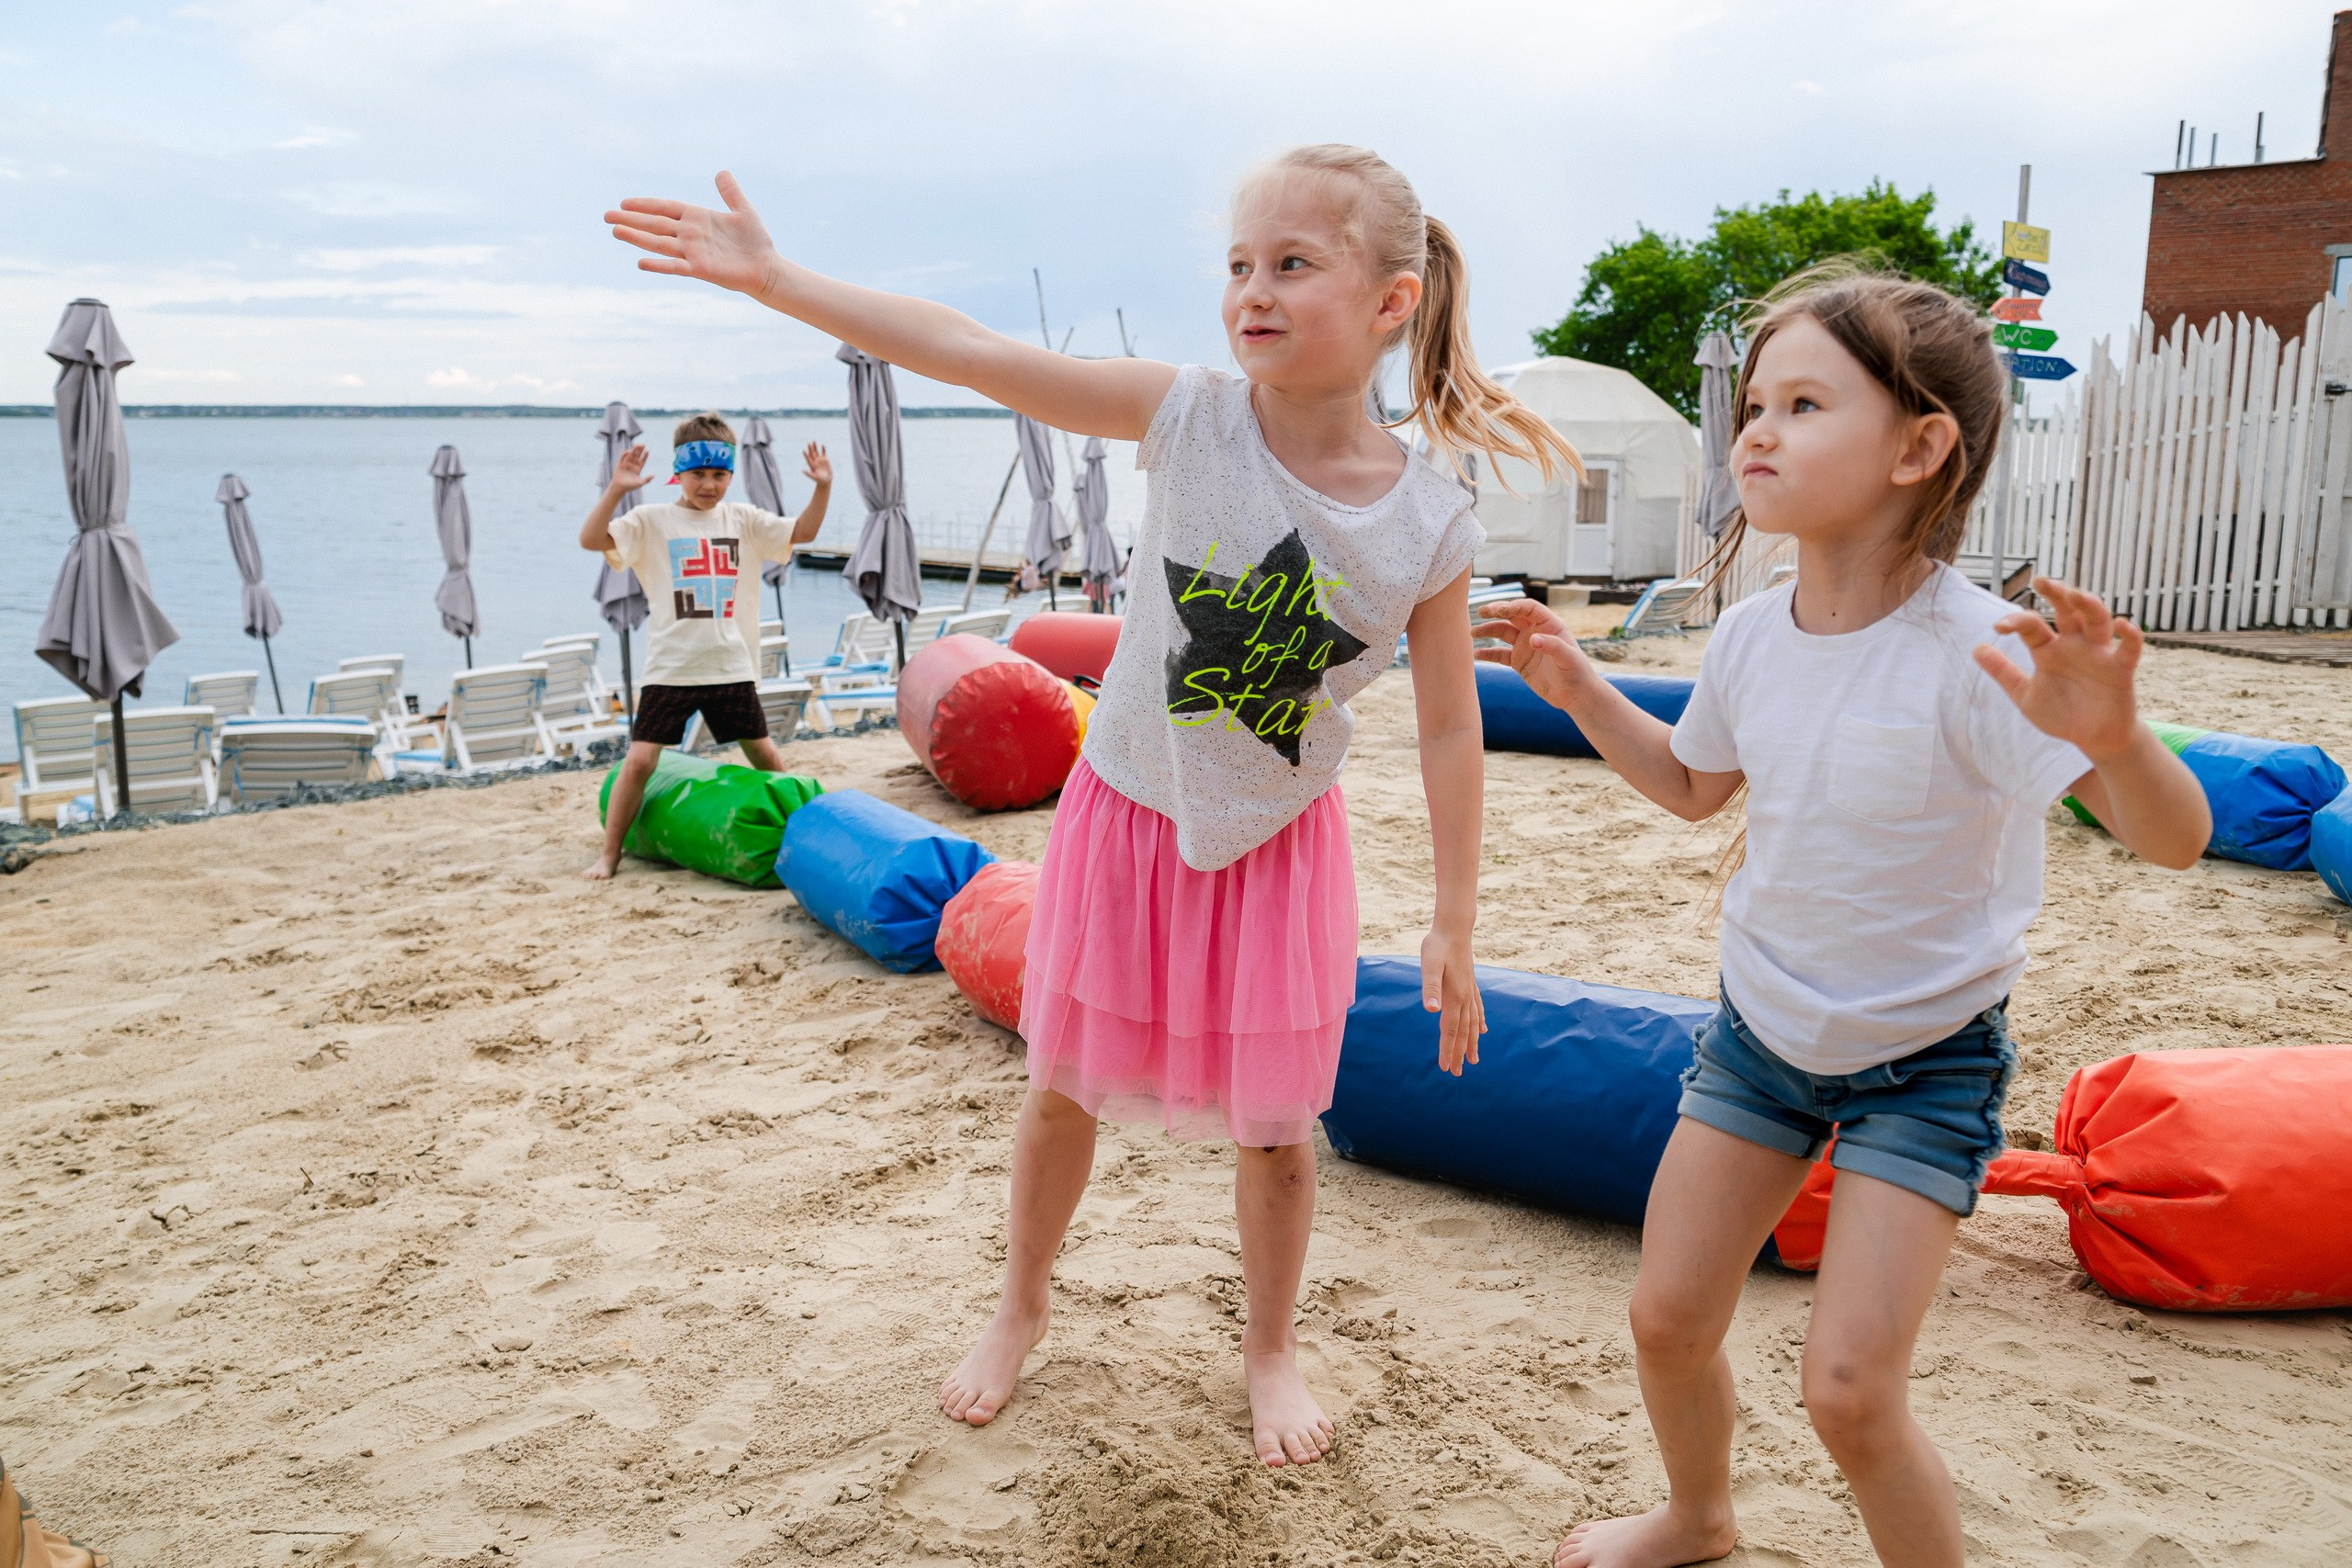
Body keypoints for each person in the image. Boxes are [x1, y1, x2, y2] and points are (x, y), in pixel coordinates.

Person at [604, 145, 1578, 1466]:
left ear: (1393, 301)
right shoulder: (1188, 415)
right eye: (1239, 264)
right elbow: (967, 350)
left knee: (1279, 1129)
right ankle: (1021, 1302)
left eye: (1294, 263)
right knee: (1060, 1088)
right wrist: (779, 282)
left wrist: (1458, 915)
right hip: (1125, 818)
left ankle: (1271, 1346)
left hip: (1280, 850)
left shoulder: (1431, 518)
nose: (1254, 289)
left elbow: (1453, 722)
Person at [1477, 267, 2211, 1568]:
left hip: (1923, 1061)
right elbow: (1697, 787)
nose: (1756, 429)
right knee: (1665, 1315)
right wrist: (1576, 678)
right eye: (1755, 402)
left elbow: (2176, 839)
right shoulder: (1755, 636)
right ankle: (1699, 1516)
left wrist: (2121, 737)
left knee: (1852, 1390)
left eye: (1805, 402)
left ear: (1920, 447)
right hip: (1761, 1033)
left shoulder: (1987, 652)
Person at [580, 412, 831, 881]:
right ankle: (610, 853)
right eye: (698, 474)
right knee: (639, 763)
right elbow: (591, 539)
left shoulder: (745, 520)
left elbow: (804, 532)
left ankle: (812, 836)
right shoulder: (652, 520)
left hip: (729, 664)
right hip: (671, 667)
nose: (709, 485)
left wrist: (822, 487)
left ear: (731, 474)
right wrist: (616, 489)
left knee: (767, 758)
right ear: (679, 472)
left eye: (720, 474)